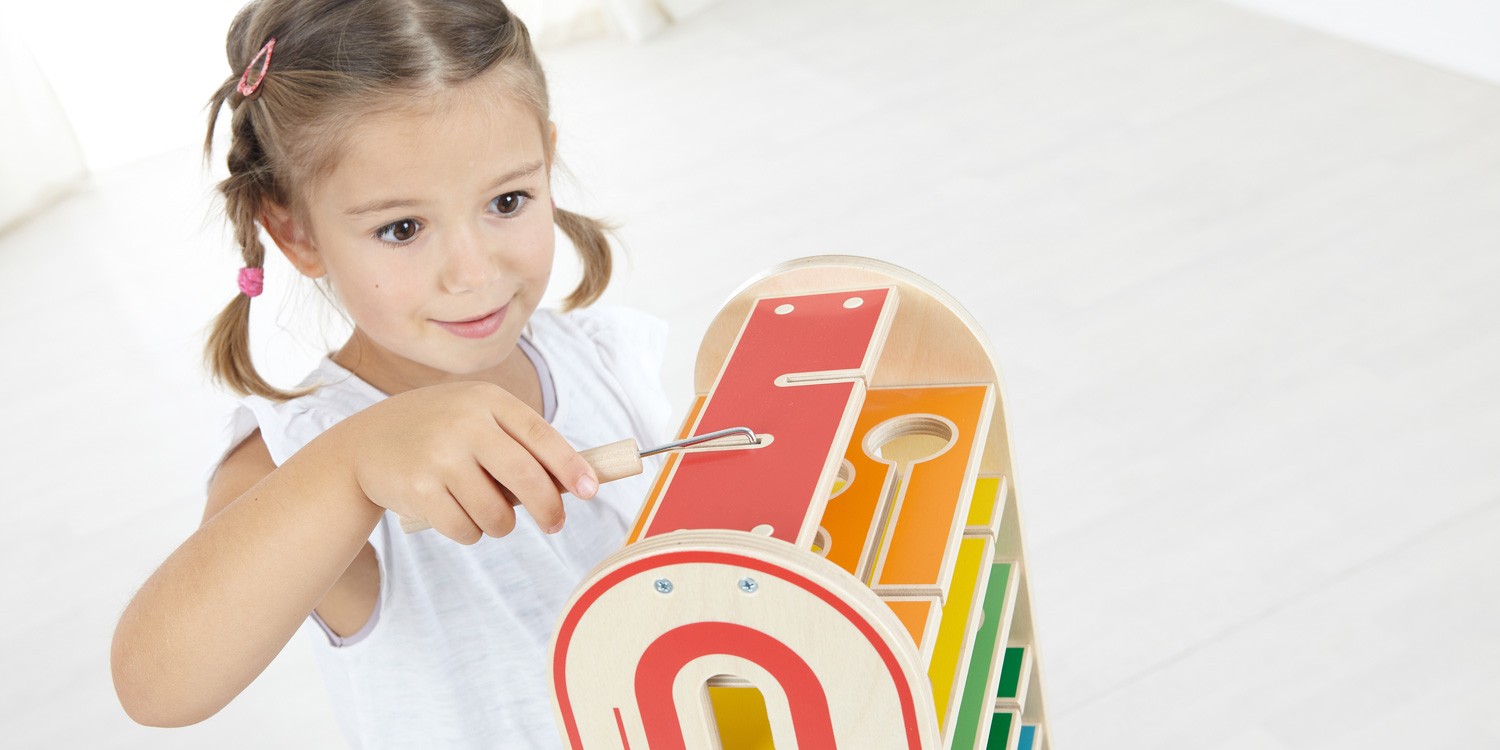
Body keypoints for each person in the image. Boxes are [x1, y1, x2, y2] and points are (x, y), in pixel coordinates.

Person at [109, 1, 672, 746]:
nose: (474, 274)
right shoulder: (299, 452)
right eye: (400, 229)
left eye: (508, 200)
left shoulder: (598, 355)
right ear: (297, 233)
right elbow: (156, 685)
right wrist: (352, 462)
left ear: (548, 163)